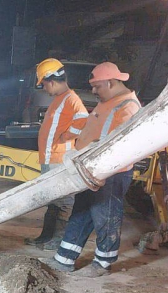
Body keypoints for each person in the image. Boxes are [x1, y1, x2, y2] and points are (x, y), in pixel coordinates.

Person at [50, 62, 142, 277]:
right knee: (82, 212)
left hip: (110, 173)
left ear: (110, 83)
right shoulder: (108, 102)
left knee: (106, 216)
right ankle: (65, 258)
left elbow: (121, 145)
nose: (93, 91)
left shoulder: (127, 106)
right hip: (91, 170)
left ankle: (103, 263)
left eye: (97, 86)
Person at [25, 58, 89, 250]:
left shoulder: (71, 99)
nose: (44, 88)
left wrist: (67, 137)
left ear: (51, 81)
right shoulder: (58, 100)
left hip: (59, 159)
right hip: (50, 158)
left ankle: (57, 240)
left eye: (44, 84)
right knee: (52, 199)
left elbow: (83, 119)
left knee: (63, 201)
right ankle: (46, 237)